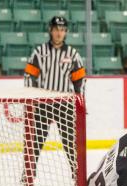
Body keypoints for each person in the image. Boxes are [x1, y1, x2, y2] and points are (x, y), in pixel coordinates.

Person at [24, 16, 86, 176]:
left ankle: (76, 172)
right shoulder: (40, 52)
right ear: (50, 30)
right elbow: (29, 76)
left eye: (62, 30)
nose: (59, 33)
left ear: (66, 32)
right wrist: (32, 97)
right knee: (35, 140)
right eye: (56, 29)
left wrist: (80, 101)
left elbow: (80, 80)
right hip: (43, 103)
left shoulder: (72, 54)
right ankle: (28, 173)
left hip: (64, 104)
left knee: (70, 141)